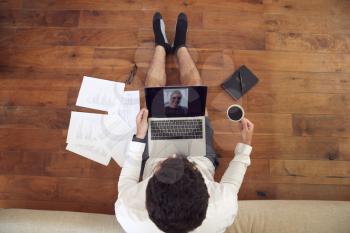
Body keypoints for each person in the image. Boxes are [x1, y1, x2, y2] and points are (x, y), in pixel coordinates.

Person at [115, 12, 254, 233]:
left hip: (153, 155)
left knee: (154, 93)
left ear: (148, 200)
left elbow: (130, 175)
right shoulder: (222, 208)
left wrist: (139, 137)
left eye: (165, 167)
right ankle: (180, 46)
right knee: (195, 93)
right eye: (187, 168)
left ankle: (161, 46)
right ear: (207, 195)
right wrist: (245, 147)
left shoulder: (129, 211)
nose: (174, 156)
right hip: (200, 157)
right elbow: (231, 183)